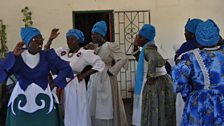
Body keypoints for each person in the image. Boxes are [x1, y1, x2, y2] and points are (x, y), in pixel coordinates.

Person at [0, 27, 74, 126]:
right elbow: (3, 70)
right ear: (28, 41)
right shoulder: (18, 57)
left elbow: (65, 68)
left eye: (41, 39)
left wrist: (54, 82)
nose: (40, 42)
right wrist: (13, 56)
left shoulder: (47, 56)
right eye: (36, 39)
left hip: (44, 96)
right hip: (21, 98)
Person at [45, 28, 105, 126]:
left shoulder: (85, 53)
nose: (69, 41)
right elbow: (46, 54)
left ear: (78, 40)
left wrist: (83, 76)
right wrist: (50, 39)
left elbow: (100, 64)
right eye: (68, 39)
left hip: (73, 86)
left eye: (72, 39)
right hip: (58, 85)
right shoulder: (62, 51)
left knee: (73, 112)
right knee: (59, 112)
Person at [172, 19, 224, 125]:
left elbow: (177, 81)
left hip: (200, 104)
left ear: (198, 39)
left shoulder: (191, 58)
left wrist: (189, 93)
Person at [132, 24, 176, 126]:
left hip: (153, 83)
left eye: (139, 36)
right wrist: (135, 46)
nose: (137, 38)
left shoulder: (149, 48)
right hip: (158, 81)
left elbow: (153, 59)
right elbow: (143, 61)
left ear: (144, 38)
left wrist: (150, 76)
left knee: (150, 109)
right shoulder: (148, 46)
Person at [87, 20, 128, 126]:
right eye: (92, 34)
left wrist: (112, 70)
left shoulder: (109, 46)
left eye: (95, 34)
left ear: (101, 34)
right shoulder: (93, 47)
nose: (92, 36)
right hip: (94, 77)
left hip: (106, 77)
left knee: (106, 104)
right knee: (94, 103)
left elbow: (123, 58)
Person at [174, 18, 203, 126]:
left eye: (186, 32)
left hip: (187, 93)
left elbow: (178, 69)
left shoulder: (186, 47)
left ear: (192, 34)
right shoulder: (209, 47)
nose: (184, 34)